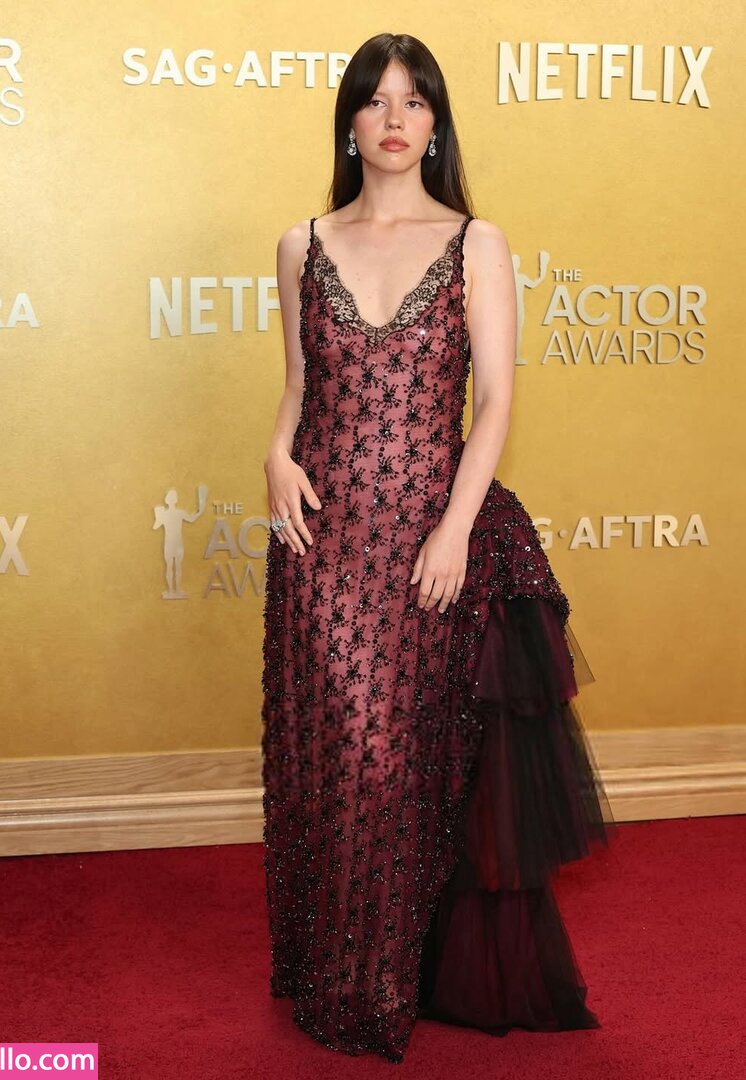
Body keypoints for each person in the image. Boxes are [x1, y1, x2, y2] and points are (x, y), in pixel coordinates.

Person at [260, 31, 615, 1064]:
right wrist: (274, 455)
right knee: (337, 761)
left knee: (404, 760)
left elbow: (494, 401)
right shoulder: (301, 245)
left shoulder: (476, 244)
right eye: (376, 100)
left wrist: (455, 529)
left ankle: (391, 976)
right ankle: (339, 970)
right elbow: (298, 387)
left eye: (414, 101)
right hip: (321, 540)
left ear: (436, 124)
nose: (394, 119)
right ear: (350, 121)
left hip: (426, 541)